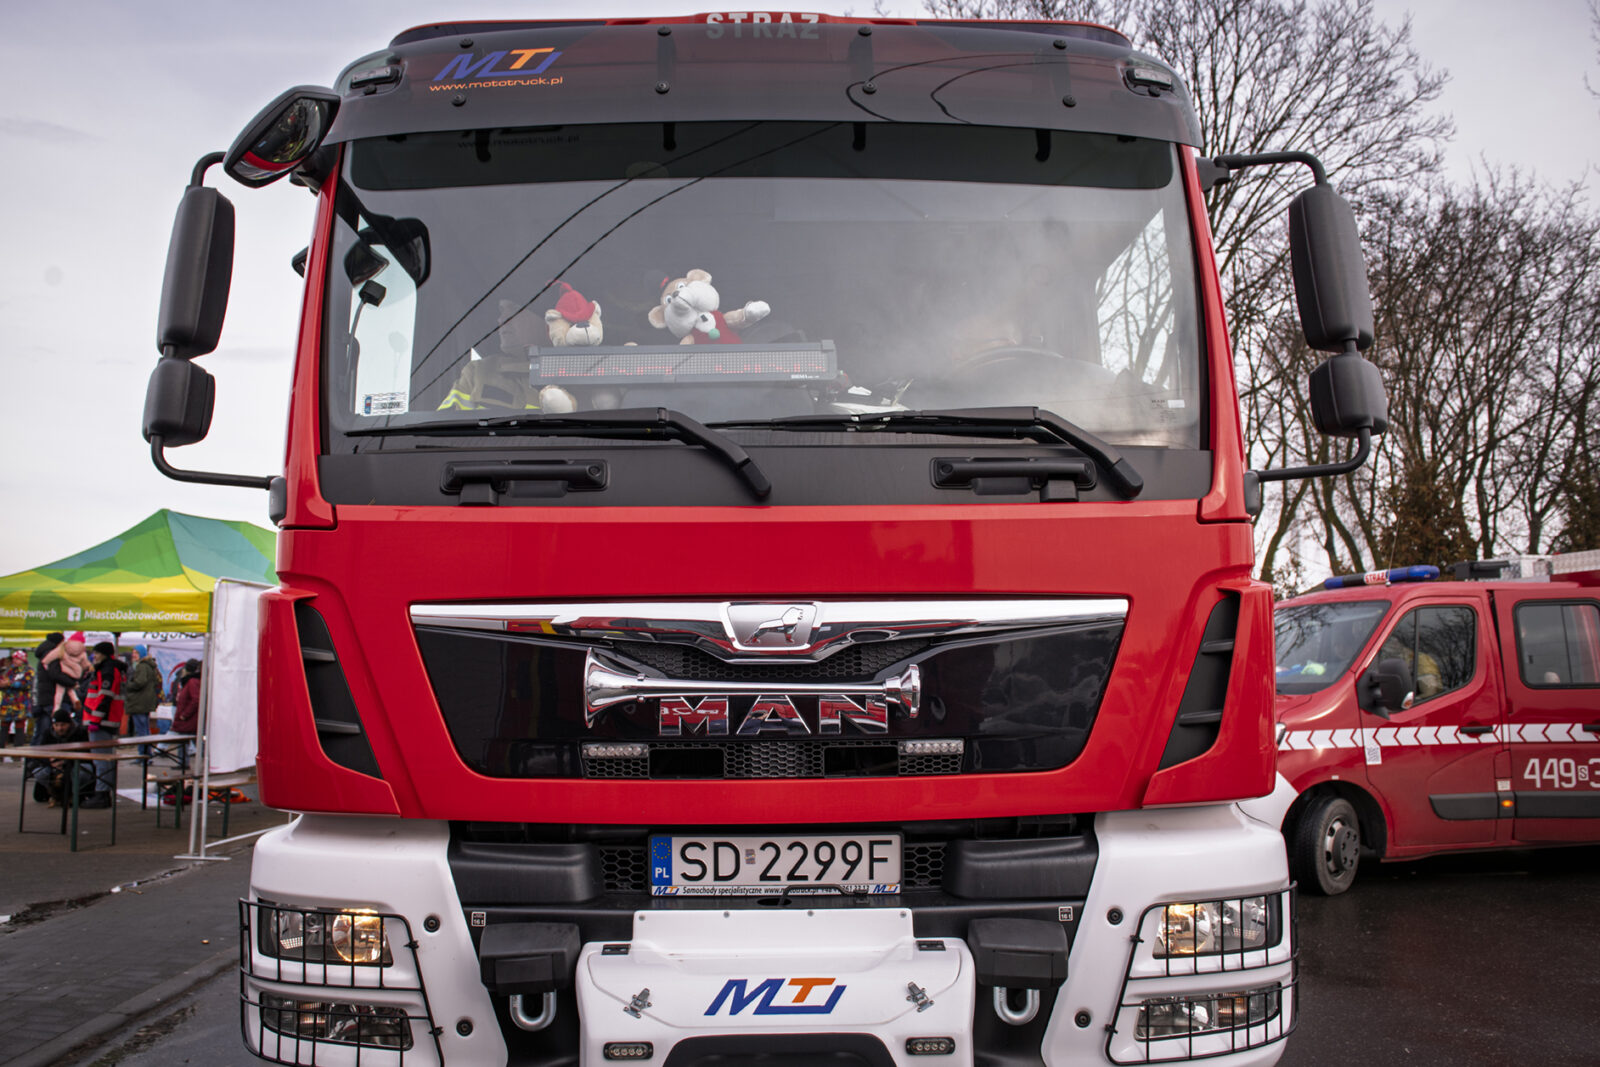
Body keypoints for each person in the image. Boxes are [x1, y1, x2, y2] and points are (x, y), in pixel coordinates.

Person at [81, 642, 126, 803]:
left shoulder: (107, 670)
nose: (94, 656)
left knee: (101, 759)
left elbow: (105, 696)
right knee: (105, 758)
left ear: (104, 654)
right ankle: (103, 792)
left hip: (101, 721)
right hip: (106, 719)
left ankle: (102, 793)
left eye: (97, 653)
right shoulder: (111, 668)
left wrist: (95, 719)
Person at [31, 709, 92, 808]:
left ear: (69, 724)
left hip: (74, 765)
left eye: (63, 725)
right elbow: (40, 754)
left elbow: (87, 755)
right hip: (53, 766)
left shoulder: (80, 732)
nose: (60, 728)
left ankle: (74, 794)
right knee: (39, 772)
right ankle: (54, 794)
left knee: (83, 771)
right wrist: (50, 762)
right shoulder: (48, 733)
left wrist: (66, 762)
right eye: (57, 725)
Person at [41, 632, 90, 717]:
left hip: (64, 671)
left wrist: (46, 664)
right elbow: (85, 665)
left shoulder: (63, 648)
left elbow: (50, 657)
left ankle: (56, 708)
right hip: (75, 673)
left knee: (60, 691)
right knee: (70, 688)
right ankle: (75, 700)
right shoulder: (82, 651)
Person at [123, 644, 162, 741]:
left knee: (141, 731)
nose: (134, 655)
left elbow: (140, 682)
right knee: (145, 729)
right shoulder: (149, 666)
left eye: (136, 653)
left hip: (139, 702)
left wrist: (127, 685)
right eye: (133, 653)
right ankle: (146, 748)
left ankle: (143, 749)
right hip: (145, 701)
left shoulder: (141, 666)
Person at [1, 650, 32, 749]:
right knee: (4, 725)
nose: (14, 661)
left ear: (23, 660)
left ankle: (18, 749)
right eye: (14, 658)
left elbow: (26, 684)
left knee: (19, 725)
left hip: (20, 703)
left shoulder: (28, 671)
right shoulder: (9, 670)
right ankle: (1, 748)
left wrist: (9, 683)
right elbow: (3, 680)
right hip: (7, 703)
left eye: (17, 659)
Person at [173, 659, 203, 735]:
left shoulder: (192, 681)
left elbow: (196, 700)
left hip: (187, 721)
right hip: (186, 720)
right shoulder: (190, 681)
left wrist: (184, 715)